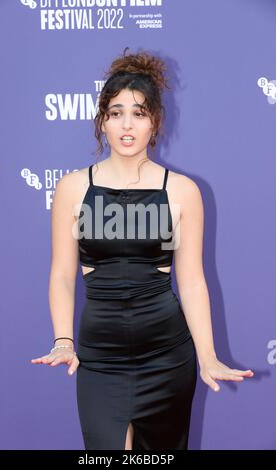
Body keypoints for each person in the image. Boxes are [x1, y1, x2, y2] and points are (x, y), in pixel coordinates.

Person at [31, 47, 254, 450]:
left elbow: (191, 281)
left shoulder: (183, 191)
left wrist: (207, 355)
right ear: (102, 121)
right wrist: (63, 339)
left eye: (139, 112)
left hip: (167, 357)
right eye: (116, 113)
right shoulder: (72, 189)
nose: (127, 125)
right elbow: (62, 274)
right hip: (100, 358)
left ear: (156, 122)